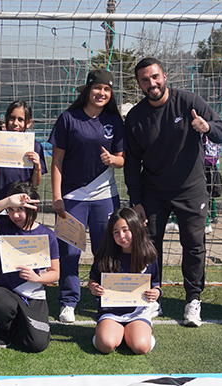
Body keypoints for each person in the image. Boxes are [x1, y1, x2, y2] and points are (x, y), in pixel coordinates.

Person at [124, 57, 222, 327]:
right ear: (139, 84)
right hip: (153, 193)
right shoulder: (135, 117)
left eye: (155, 77)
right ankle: (152, 298)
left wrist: (207, 127)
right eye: (145, 80)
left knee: (194, 246)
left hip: (191, 191)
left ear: (164, 76)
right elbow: (132, 163)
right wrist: (136, 201)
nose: (151, 83)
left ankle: (193, 300)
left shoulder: (189, 102)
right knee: (149, 246)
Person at [49, 69, 126, 324]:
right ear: (88, 90)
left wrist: (112, 159)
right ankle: (68, 301)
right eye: (97, 88)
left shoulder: (114, 120)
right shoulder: (68, 118)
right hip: (73, 196)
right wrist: (57, 196)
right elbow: (57, 160)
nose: (101, 93)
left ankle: (105, 298)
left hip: (105, 195)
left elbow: (122, 159)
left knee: (106, 249)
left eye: (107, 89)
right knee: (70, 251)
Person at [0, 181, 59, 351]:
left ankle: (18, 325)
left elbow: (55, 273)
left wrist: (37, 277)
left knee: (37, 344)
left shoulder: (47, 235)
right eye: (11, 210)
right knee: (2, 304)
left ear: (33, 208)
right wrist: (7, 201)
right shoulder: (2, 227)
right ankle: (3, 329)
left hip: (32, 294)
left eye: (20, 209)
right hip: (4, 290)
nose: (15, 215)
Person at [88, 207, 160, 354]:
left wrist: (156, 293)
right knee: (106, 345)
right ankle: (111, 333)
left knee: (140, 347)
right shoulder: (105, 256)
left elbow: (156, 283)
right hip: (111, 312)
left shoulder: (148, 256)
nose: (121, 236)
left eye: (125, 230)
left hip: (138, 312)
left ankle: (139, 335)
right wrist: (94, 287)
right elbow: (92, 280)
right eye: (116, 232)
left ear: (136, 228)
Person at [0, 100, 48, 203]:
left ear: (28, 123)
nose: (15, 123)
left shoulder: (35, 147)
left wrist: (37, 165)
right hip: (0, 202)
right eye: (12, 118)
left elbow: (35, 183)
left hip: (24, 202)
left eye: (20, 119)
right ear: (6, 119)